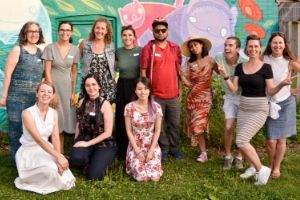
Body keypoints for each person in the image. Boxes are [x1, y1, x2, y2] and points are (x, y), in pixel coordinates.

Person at [218, 34, 291, 185]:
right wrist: (226, 76)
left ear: (260, 48)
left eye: (256, 46)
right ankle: (253, 167)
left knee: (241, 140)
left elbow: (270, 91)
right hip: (244, 106)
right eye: (250, 46)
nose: (253, 49)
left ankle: (261, 169)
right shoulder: (240, 67)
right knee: (244, 141)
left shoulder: (266, 67)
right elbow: (234, 90)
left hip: (259, 108)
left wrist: (282, 84)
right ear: (247, 48)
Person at [14, 81, 75, 194]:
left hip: (47, 149)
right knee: (51, 171)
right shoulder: (27, 113)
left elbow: (56, 137)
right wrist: (59, 156)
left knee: (62, 170)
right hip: (29, 152)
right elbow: (38, 139)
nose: (45, 94)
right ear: (37, 94)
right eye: (42, 91)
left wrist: (58, 158)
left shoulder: (54, 113)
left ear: (52, 96)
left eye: (49, 92)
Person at [0, 21, 45, 164]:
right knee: (16, 129)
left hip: (33, 99)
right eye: (31, 31)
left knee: (32, 130)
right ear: (25, 34)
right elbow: (8, 74)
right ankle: (16, 161)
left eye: (36, 32)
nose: (34, 34)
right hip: (16, 98)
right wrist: (4, 96)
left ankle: (29, 160)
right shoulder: (17, 50)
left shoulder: (40, 52)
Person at [140, 17, 182, 161]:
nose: (160, 33)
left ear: (167, 31)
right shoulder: (148, 48)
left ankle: (175, 149)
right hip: (156, 95)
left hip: (173, 95)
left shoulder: (175, 48)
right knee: (159, 125)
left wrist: (180, 91)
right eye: (157, 31)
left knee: (174, 124)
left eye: (163, 30)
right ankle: (164, 148)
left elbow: (178, 70)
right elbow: (143, 72)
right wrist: (146, 93)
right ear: (153, 32)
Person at [262, 32, 300, 178]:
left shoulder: (289, 62)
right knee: (271, 140)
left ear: (284, 45)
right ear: (270, 44)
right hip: (269, 103)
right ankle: (270, 163)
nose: (277, 45)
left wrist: (296, 90)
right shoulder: (263, 59)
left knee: (281, 139)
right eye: (274, 43)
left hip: (286, 103)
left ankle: (276, 167)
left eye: (280, 43)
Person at [69, 74, 116, 180]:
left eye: (94, 84)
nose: (91, 88)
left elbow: (108, 133)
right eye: (87, 85)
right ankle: (90, 158)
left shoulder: (106, 104)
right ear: (85, 87)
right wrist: (76, 141)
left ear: (99, 86)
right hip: (85, 138)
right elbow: (78, 123)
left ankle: (103, 160)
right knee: (76, 159)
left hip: (103, 143)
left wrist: (87, 144)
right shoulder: (82, 102)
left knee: (94, 176)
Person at [42, 21, 79, 154]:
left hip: (68, 89)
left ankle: (61, 153)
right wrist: (53, 93)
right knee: (55, 119)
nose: (65, 32)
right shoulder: (50, 48)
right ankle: (57, 153)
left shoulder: (75, 49)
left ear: (71, 32)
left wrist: (73, 92)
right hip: (53, 88)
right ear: (58, 31)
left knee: (65, 120)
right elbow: (47, 71)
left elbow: (74, 72)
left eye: (68, 30)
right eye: (62, 30)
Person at [180, 35, 219, 162]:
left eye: (195, 45)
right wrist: (184, 78)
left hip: (206, 97)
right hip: (193, 97)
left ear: (202, 45)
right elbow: (185, 79)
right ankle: (203, 153)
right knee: (196, 125)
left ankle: (203, 152)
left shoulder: (211, 60)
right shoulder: (190, 63)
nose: (193, 48)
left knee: (199, 123)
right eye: (191, 46)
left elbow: (223, 72)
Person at [215, 36, 248, 169]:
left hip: (243, 96)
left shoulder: (244, 61)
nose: (226, 48)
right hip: (229, 96)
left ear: (237, 49)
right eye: (225, 45)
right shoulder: (219, 57)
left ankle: (240, 157)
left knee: (242, 128)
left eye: (230, 46)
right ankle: (228, 156)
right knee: (228, 127)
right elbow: (212, 67)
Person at [124, 77, 163, 182]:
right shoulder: (129, 107)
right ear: (135, 90)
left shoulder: (157, 107)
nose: (143, 92)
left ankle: (152, 165)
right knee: (142, 178)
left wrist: (151, 151)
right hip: (135, 146)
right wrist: (137, 151)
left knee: (155, 178)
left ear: (150, 90)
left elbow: (157, 130)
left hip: (151, 145)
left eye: (146, 89)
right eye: (140, 89)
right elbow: (128, 130)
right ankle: (134, 163)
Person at [115, 25, 142, 160]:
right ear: (122, 37)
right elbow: (113, 68)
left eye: (130, 35)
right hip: (122, 85)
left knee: (136, 116)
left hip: (137, 86)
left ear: (134, 37)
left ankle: (137, 147)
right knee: (121, 116)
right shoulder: (118, 52)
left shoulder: (141, 51)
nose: (127, 38)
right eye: (125, 35)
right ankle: (122, 148)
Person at [79, 18, 116, 103]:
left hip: (107, 85)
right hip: (89, 86)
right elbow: (75, 63)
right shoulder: (84, 44)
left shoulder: (111, 46)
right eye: (97, 28)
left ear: (107, 31)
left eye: (103, 28)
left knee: (105, 112)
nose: (100, 31)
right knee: (88, 112)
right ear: (94, 29)